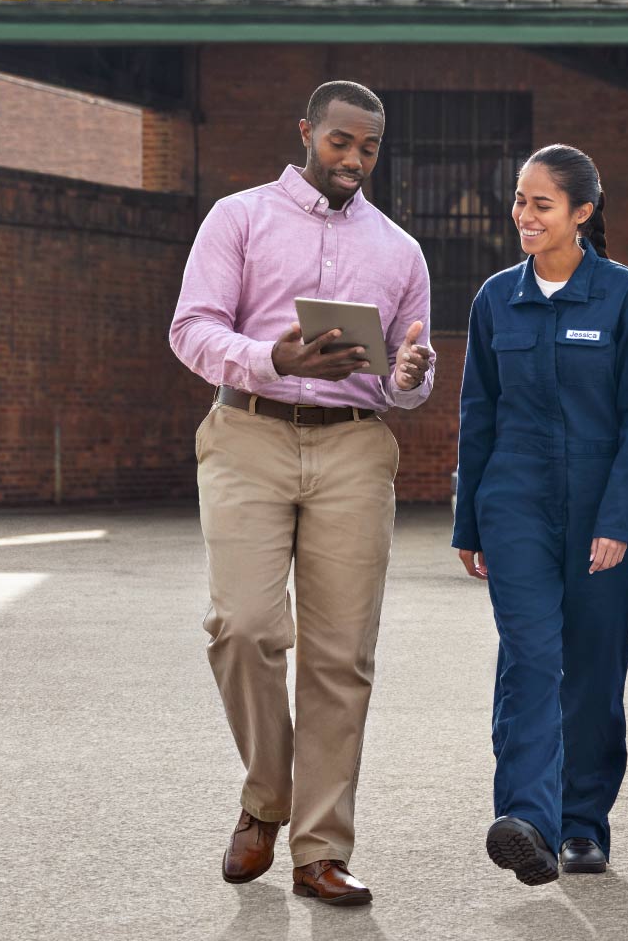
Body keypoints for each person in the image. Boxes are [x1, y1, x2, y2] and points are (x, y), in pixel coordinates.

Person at [168, 80, 436, 907]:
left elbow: (405, 379)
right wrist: (272, 360)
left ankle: (320, 849)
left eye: (369, 149)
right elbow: (191, 328)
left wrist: (409, 377)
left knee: (340, 655)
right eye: (341, 143)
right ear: (307, 134)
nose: (354, 160)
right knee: (243, 627)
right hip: (248, 431)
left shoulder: (400, 251)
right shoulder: (238, 218)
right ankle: (265, 798)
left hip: (355, 446)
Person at [452, 144, 628, 885]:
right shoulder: (495, 299)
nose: (523, 215)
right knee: (531, 659)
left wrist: (618, 518)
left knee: (594, 671)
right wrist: (468, 521)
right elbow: (479, 414)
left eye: (541, 203)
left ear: (581, 213)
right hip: (514, 503)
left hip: (602, 507)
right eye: (518, 200)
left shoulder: (623, 297)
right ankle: (527, 822)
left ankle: (582, 824)